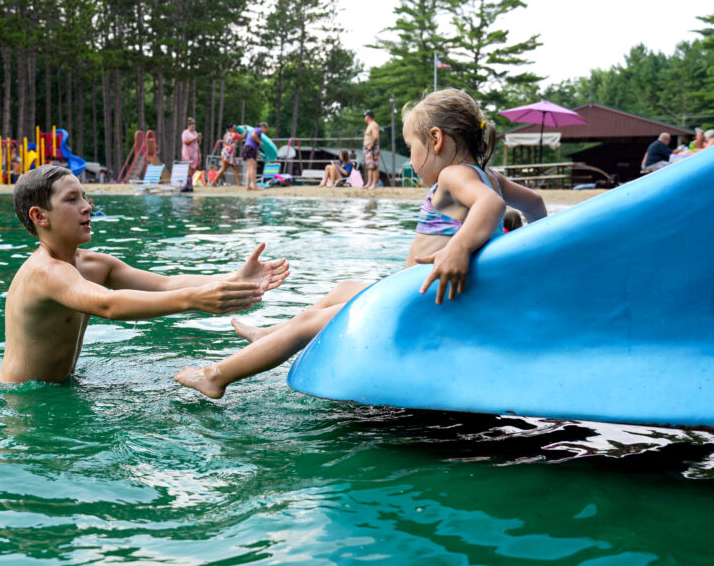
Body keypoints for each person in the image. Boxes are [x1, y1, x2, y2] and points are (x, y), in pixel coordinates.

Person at [175, 88, 548, 399]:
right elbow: (535, 205)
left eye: (410, 147)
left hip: (418, 303)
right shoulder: (490, 177)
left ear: (435, 140)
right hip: (417, 291)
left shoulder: (453, 175)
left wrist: (458, 248)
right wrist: (531, 253)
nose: (410, 161)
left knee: (311, 321)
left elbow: (491, 206)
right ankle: (267, 334)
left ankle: (217, 375)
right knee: (344, 288)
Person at [0, 165, 291, 384]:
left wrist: (235, 278)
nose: (87, 206)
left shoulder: (92, 265)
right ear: (40, 216)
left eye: (85, 197)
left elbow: (165, 284)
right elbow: (108, 305)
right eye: (72, 199)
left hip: (61, 389)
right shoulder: (44, 272)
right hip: (23, 405)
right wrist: (193, 300)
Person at [242, 122, 268, 191]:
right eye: (266, 129)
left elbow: (252, 140)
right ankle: (254, 185)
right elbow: (254, 136)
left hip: (247, 148)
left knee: (250, 167)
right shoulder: (259, 130)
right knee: (252, 167)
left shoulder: (254, 130)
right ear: (263, 127)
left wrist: (257, 154)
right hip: (249, 148)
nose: (266, 131)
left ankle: (247, 186)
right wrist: (260, 142)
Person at [362, 110, 381, 188]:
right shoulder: (369, 125)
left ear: (368, 116)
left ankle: (374, 184)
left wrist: (371, 145)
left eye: (365, 116)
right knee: (369, 167)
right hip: (368, 149)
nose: (364, 118)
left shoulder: (373, 125)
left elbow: (376, 136)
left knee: (374, 167)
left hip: (372, 148)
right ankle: (369, 183)